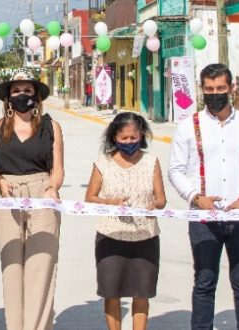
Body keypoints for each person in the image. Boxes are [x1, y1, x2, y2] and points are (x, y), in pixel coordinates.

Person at [169, 63, 239, 330]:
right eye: (209, 89)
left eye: (221, 88)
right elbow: (176, 170)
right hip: (204, 220)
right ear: (201, 90)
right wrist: (195, 197)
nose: (215, 94)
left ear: (232, 88)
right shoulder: (187, 127)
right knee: (204, 283)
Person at [0, 70, 65, 330]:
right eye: (16, 91)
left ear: (36, 96)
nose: (22, 95)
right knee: (12, 267)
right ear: (8, 97)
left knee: (40, 266)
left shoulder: (51, 127)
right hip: (7, 194)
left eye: (27, 91)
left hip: (42, 193)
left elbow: (58, 169)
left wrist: (53, 188)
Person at [84, 112, 166, 330]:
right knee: (112, 292)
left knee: (142, 293)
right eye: (124, 138)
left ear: (142, 136)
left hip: (145, 236)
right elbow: (90, 197)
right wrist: (110, 202)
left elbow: (161, 198)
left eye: (133, 138)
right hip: (110, 237)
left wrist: (155, 206)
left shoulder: (151, 162)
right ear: (114, 137)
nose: (129, 142)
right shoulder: (103, 163)